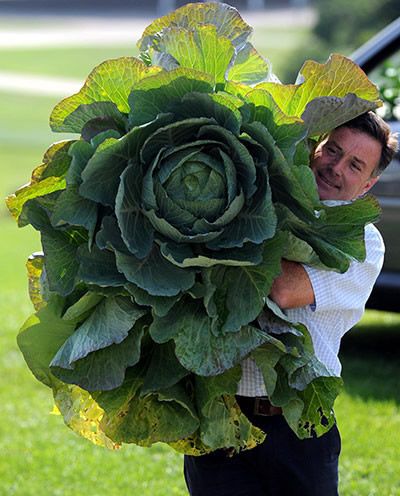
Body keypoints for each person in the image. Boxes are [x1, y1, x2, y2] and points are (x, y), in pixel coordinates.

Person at [183, 111, 399, 496]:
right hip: (220, 418)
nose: (336, 167)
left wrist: (231, 225)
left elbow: (284, 288)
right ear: (314, 148)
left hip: (301, 427)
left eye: (354, 164)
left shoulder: (365, 242)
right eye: (332, 150)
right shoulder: (262, 195)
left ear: (369, 184)